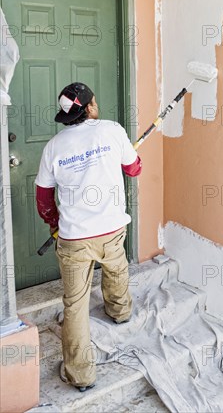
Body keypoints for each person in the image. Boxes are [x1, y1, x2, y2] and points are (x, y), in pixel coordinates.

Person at [35, 82, 142, 392]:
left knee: (76, 303)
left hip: (74, 238)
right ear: (90, 107)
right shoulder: (112, 130)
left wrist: (54, 224)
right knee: (117, 268)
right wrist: (135, 159)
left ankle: (80, 375)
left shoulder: (54, 146)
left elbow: (43, 197)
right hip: (111, 230)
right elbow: (133, 169)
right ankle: (120, 311)